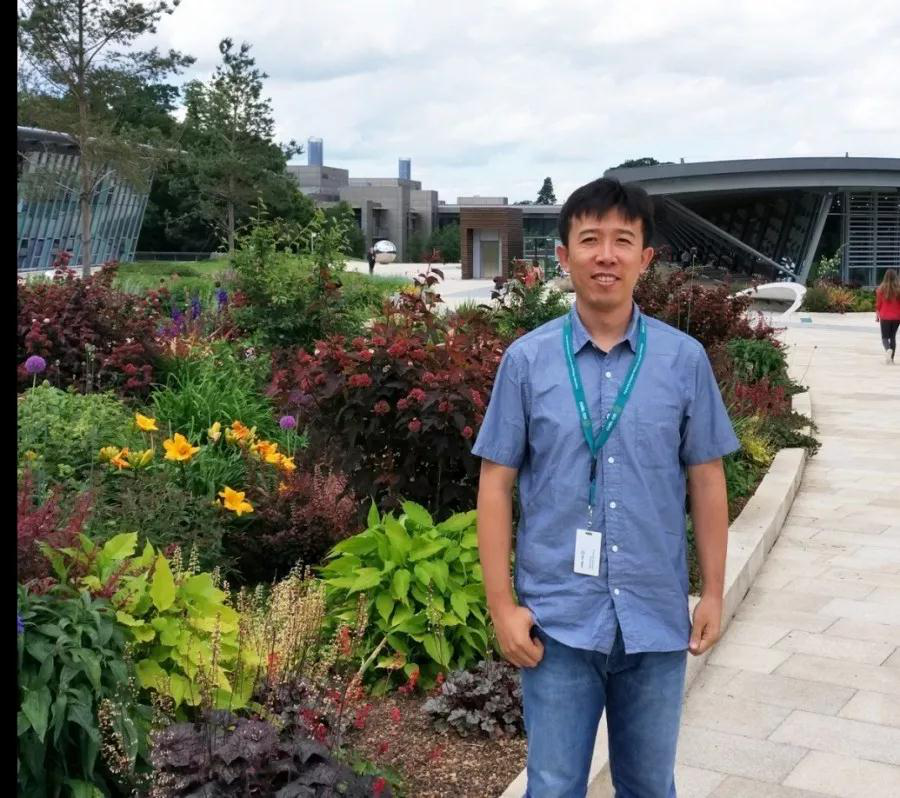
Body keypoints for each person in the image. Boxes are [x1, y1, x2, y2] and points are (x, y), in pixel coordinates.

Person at [473, 177, 739, 798]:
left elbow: (707, 478)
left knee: (649, 786)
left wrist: (713, 592)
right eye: (590, 240)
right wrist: (501, 606)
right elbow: (495, 483)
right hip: (557, 623)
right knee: (553, 785)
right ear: (563, 256)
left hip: (655, 618)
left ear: (645, 258)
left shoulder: (683, 361)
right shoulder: (527, 362)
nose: (606, 256)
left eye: (623, 241)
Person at [875, 268, 900, 364]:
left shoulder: (880, 289)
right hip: (897, 317)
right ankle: (891, 360)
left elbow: (878, 304)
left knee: (885, 337)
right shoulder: (898, 290)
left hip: (885, 316)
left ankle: (888, 349)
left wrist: (877, 315)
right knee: (893, 337)